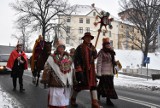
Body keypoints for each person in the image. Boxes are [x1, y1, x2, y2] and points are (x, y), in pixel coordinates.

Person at [70, 32, 100, 108]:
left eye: (90, 38)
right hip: (82, 70)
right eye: (87, 38)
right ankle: (73, 99)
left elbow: (95, 56)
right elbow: (76, 59)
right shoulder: (80, 47)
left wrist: (94, 52)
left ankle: (94, 102)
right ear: (84, 38)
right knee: (78, 86)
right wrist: (78, 70)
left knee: (93, 86)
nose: (89, 39)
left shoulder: (92, 47)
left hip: (91, 71)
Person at [41, 42, 73, 108]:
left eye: (63, 47)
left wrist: (74, 79)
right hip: (55, 81)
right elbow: (47, 67)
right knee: (55, 98)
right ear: (57, 48)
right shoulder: (52, 57)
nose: (61, 48)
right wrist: (45, 78)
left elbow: (72, 69)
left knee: (64, 98)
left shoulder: (69, 58)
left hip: (66, 81)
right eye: (60, 47)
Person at [96, 37, 118, 106]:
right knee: (101, 87)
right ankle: (97, 99)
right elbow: (99, 63)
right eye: (106, 44)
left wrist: (115, 63)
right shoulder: (101, 52)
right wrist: (98, 73)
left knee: (110, 87)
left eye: (109, 44)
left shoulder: (111, 52)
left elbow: (112, 61)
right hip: (104, 73)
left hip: (110, 72)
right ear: (104, 45)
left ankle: (108, 100)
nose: (108, 45)